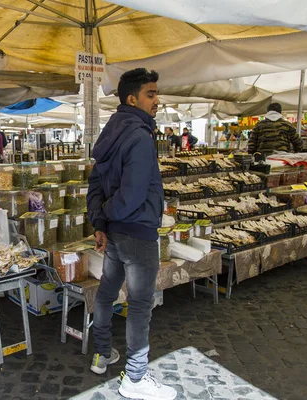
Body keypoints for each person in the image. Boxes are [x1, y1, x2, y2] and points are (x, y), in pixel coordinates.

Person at [86, 68, 176, 400]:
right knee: (140, 304)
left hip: (117, 234)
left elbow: (94, 186)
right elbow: (134, 195)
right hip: (137, 232)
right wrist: (107, 218)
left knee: (108, 292)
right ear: (132, 98)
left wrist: (101, 222)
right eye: (151, 94)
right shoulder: (139, 136)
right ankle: (135, 378)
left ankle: (102, 353)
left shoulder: (112, 133)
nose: (157, 100)